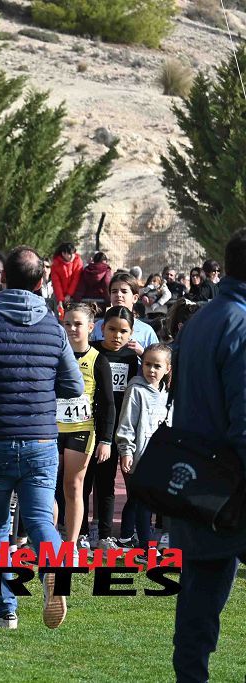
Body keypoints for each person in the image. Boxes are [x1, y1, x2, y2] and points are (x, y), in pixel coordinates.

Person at [0, 246, 83, 630]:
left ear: (3, 278)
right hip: (41, 439)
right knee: (41, 519)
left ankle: (6, 611)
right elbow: (73, 386)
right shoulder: (54, 329)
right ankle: (53, 569)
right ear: (42, 282)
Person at [169, 231, 246, 682]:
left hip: (198, 478)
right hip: (230, 483)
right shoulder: (237, 322)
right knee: (201, 600)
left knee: (198, 602)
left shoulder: (204, 317)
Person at [55, 303, 114, 555]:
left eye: (77, 324)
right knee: (48, 487)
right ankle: (50, 539)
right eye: (67, 323)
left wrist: (106, 439)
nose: (71, 328)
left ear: (91, 327)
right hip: (51, 429)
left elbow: (109, 404)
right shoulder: (55, 355)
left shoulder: (98, 360)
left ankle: (71, 544)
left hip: (81, 429)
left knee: (73, 486)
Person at [86, 306, 140, 550]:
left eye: (123, 331)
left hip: (116, 427)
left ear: (131, 333)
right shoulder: (93, 351)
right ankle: (82, 532)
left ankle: (105, 535)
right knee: (84, 481)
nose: (117, 336)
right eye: (112, 329)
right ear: (102, 328)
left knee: (107, 482)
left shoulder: (131, 358)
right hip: (88, 424)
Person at [115, 342, 171, 557]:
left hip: (160, 457)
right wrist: (126, 451)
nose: (152, 370)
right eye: (147, 364)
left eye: (157, 366)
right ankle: (146, 548)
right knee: (144, 500)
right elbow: (127, 423)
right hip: (139, 455)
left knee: (137, 498)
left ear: (167, 368)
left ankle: (126, 536)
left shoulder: (168, 393)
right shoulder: (136, 389)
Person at [89, 273, 159, 353]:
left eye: (124, 291)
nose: (118, 295)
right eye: (114, 291)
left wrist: (142, 353)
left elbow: (158, 360)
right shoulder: (98, 326)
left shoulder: (146, 331)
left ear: (135, 298)